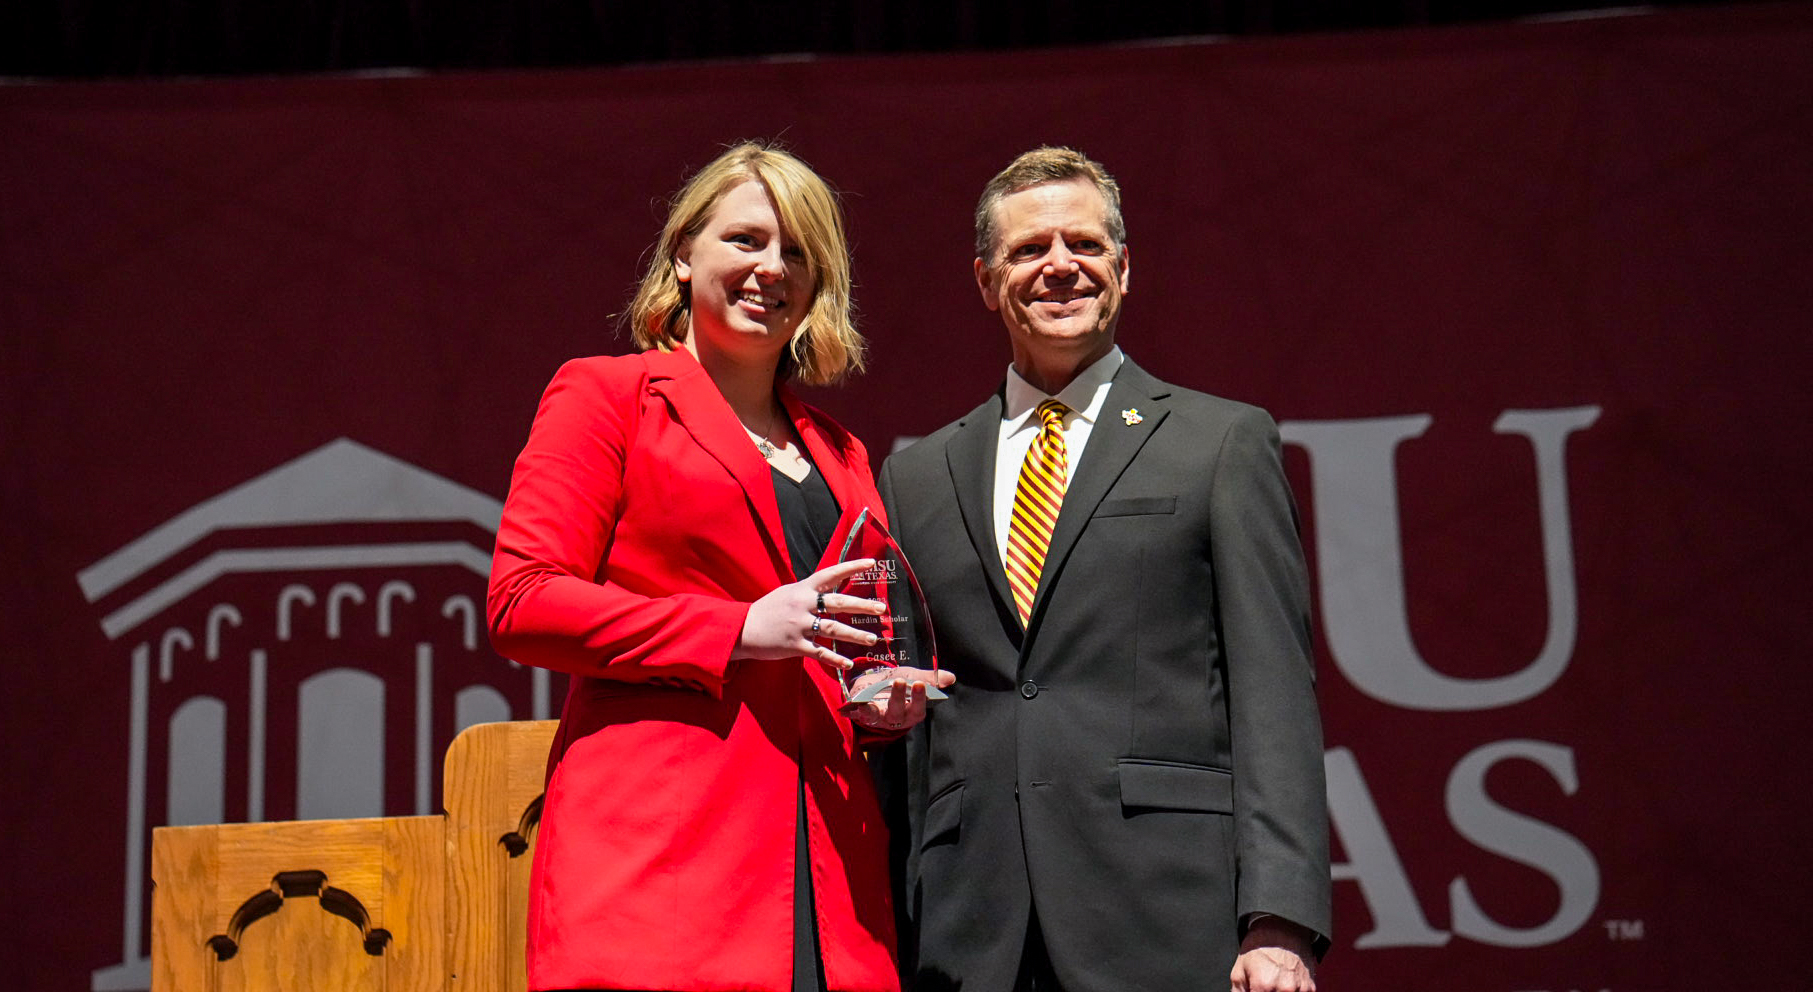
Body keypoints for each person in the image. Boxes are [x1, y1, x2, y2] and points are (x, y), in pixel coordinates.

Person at [488, 141, 954, 992]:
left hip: (830, 879)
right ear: (682, 254)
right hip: (666, 869)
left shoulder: (840, 450)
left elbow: (835, 641)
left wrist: (879, 701)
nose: (770, 268)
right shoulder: (607, 396)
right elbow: (523, 601)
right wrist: (737, 628)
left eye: (797, 252)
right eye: (744, 240)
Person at [877, 147, 1331, 992]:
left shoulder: (1217, 443)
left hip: (1165, 915)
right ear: (984, 281)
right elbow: (910, 734)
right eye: (1028, 249)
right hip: (968, 931)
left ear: (1122, 268)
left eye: (1083, 245)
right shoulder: (915, 477)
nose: (1059, 267)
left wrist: (1279, 920)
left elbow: (1273, 692)